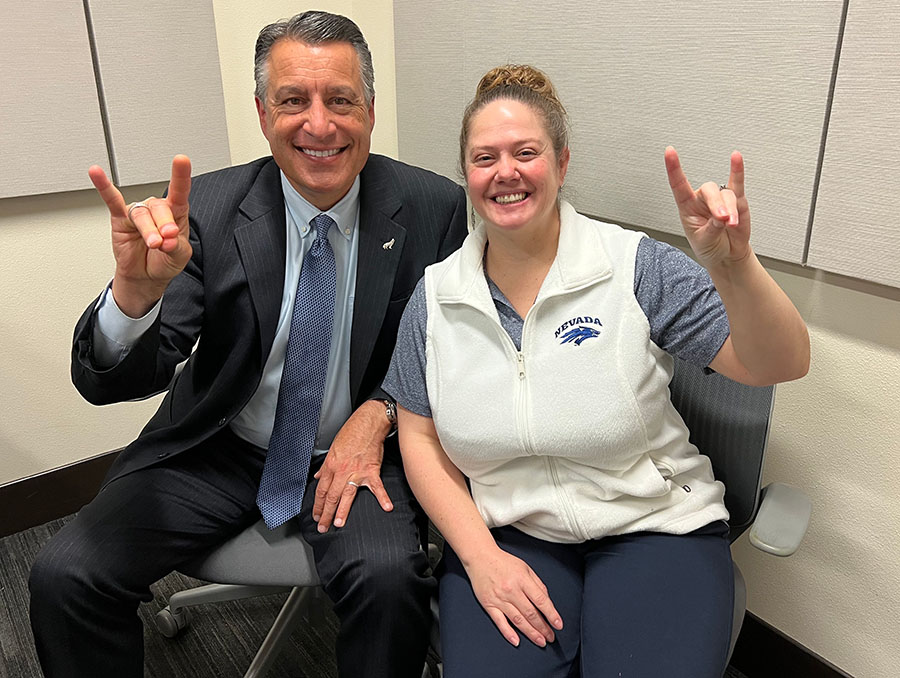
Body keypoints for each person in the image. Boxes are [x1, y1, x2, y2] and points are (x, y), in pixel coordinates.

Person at [28, 11, 467, 678]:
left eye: (340, 99)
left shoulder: (434, 208)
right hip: (220, 447)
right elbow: (112, 380)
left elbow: (446, 346)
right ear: (263, 113)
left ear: (370, 111)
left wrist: (377, 415)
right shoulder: (206, 209)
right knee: (67, 576)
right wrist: (134, 298)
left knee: (391, 586)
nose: (319, 125)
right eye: (294, 100)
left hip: (358, 453)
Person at [382, 65, 809, 677]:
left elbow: (782, 363)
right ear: (467, 175)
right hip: (510, 533)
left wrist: (735, 268)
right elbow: (419, 434)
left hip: (655, 525)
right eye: (484, 158)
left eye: (525, 152)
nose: (505, 171)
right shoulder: (436, 296)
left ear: (561, 161)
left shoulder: (634, 266)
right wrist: (478, 557)